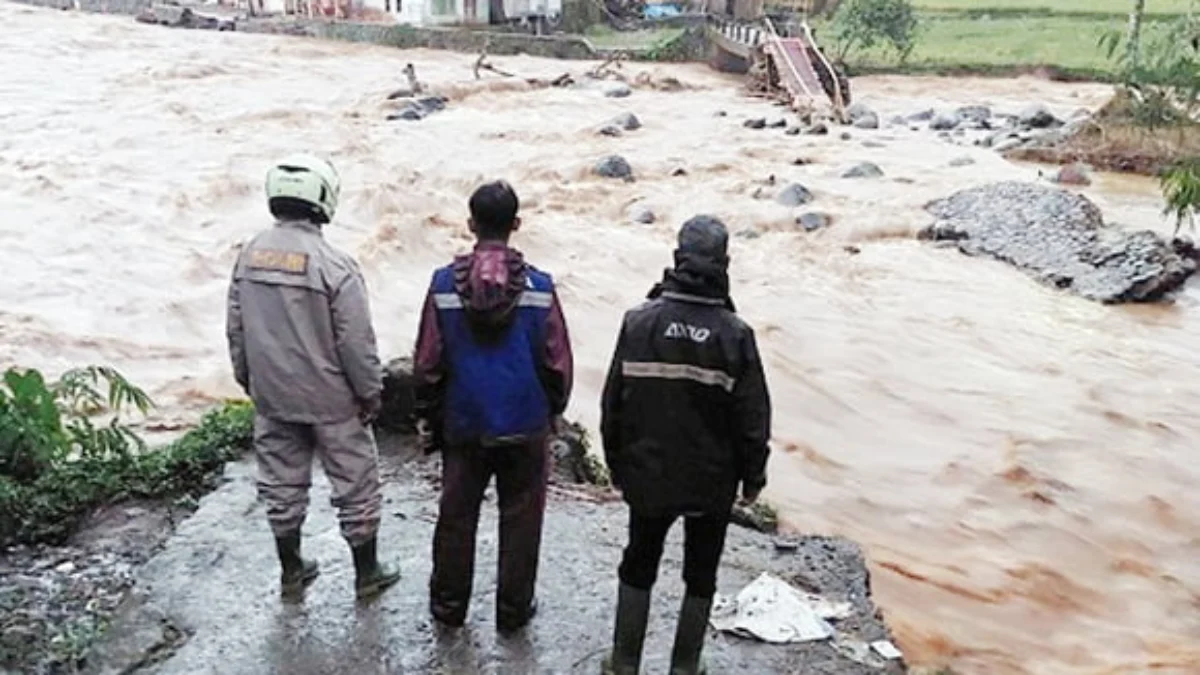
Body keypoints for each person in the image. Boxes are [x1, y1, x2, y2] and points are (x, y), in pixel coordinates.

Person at [599, 215, 772, 674]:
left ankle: (623, 662)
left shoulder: (638, 323)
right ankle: (685, 667)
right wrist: (753, 479)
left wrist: (616, 465)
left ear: (676, 259)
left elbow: (612, 403)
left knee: (638, 561)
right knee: (701, 572)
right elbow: (753, 419)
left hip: (647, 474)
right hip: (711, 484)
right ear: (725, 262)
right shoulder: (736, 335)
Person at [225, 153, 401, 601]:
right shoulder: (335, 266)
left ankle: (292, 568)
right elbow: (356, 343)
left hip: (273, 395)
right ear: (324, 199)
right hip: (332, 399)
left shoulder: (248, 256)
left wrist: (250, 381)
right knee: (355, 483)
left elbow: (237, 329)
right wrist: (370, 393)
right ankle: (367, 572)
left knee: (280, 483)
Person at [413, 180, 573, 633]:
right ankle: (513, 611)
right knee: (522, 520)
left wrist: (428, 414)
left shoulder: (444, 284)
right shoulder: (540, 287)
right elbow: (557, 361)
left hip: (464, 422)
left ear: (470, 225)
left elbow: (428, 361)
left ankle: (448, 608)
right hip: (524, 423)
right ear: (516, 225)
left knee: (456, 517)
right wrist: (552, 410)